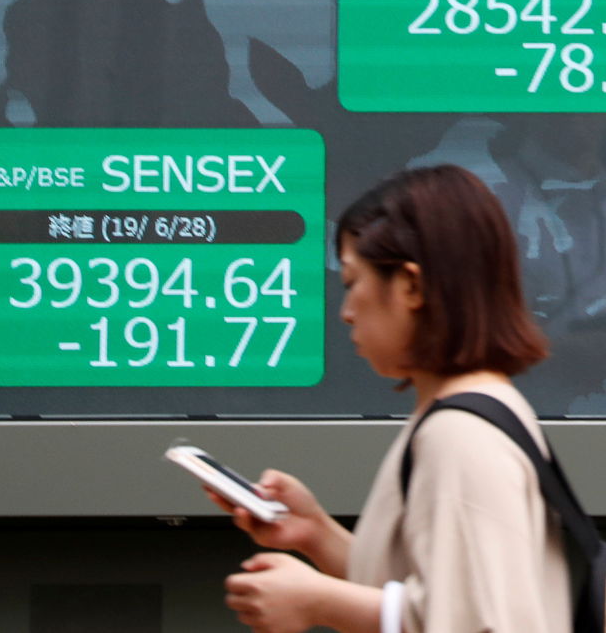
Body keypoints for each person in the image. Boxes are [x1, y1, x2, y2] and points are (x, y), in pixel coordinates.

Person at [207, 165, 569, 633]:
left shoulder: (460, 435)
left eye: (353, 283)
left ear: (412, 287)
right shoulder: (472, 413)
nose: (346, 312)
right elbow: (439, 594)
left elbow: (477, 623)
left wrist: (318, 601)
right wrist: (316, 534)